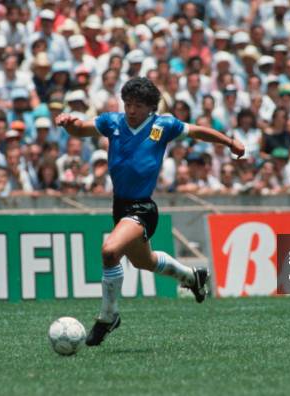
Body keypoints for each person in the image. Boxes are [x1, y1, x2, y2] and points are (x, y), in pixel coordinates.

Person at [56, 77, 245, 346]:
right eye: (128, 104)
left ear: (151, 108)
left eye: (138, 106)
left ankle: (108, 317)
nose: (131, 110)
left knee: (110, 251)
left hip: (143, 208)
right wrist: (69, 123)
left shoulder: (162, 125)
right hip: (120, 206)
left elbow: (198, 131)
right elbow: (82, 129)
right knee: (144, 262)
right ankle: (193, 276)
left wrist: (229, 142)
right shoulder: (113, 122)